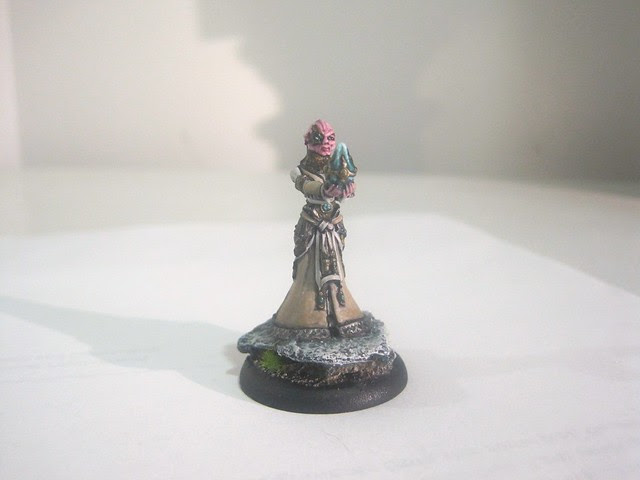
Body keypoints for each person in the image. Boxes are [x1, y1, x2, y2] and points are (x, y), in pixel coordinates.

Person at [274, 120, 364, 336]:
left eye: (330, 138)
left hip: (333, 225)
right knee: (309, 272)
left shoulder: (336, 167)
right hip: (313, 226)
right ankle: (308, 319)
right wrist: (324, 189)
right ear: (308, 142)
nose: (326, 143)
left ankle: (341, 315)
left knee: (336, 270)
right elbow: (306, 185)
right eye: (319, 139)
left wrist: (346, 189)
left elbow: (342, 194)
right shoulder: (299, 171)